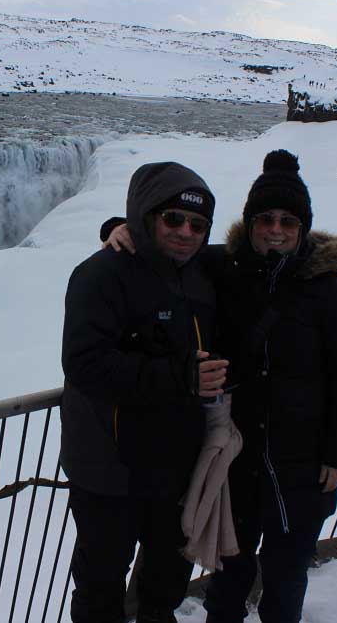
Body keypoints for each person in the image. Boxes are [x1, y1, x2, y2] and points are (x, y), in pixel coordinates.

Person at [103, 150, 337, 623]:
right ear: (250, 222)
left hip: (301, 463)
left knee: (286, 579)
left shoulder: (329, 289)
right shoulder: (225, 267)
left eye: (288, 219)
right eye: (265, 218)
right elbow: (172, 243)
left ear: (304, 225)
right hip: (237, 462)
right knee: (229, 575)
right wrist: (118, 229)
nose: (276, 229)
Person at [61, 161, 229, 623]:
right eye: (171, 218)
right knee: (101, 585)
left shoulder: (201, 273)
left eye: (198, 224)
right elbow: (83, 364)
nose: (185, 233)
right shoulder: (102, 274)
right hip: (108, 467)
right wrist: (181, 378)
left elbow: (269, 254)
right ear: (147, 216)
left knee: (165, 579)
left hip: (173, 468)